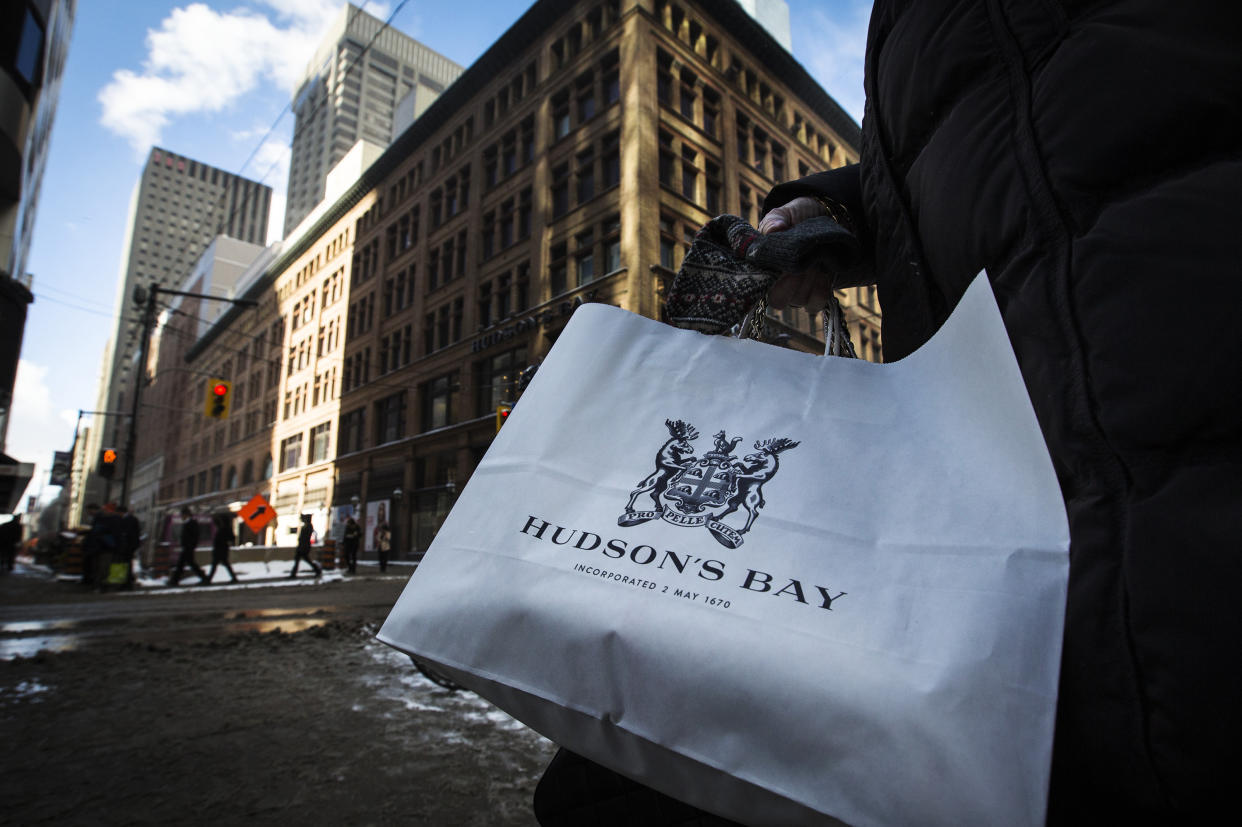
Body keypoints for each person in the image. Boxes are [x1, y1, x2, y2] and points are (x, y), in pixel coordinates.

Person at [748, 4, 1241, 822]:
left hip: (1179, 381)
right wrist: (837, 213)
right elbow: (971, 145)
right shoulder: (899, 22)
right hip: (1016, 498)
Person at [169, 507, 209, 586]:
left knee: (184, 564)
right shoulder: (188, 523)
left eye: (182, 515)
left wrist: (191, 545)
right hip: (187, 547)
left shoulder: (192, 523)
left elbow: (194, 536)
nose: (181, 517)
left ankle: (174, 580)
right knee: (185, 564)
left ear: (186, 515)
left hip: (188, 547)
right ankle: (174, 580)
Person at [205, 512, 239, 584]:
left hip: (221, 549)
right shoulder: (224, 528)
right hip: (222, 549)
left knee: (216, 564)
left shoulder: (224, 529)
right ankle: (233, 577)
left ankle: (209, 579)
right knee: (223, 564)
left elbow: (230, 538)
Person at [290, 513, 322, 578]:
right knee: (299, 559)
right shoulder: (307, 526)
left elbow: (305, 537)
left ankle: (317, 570)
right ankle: (293, 574)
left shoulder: (309, 526)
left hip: (304, 546)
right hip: (302, 546)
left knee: (305, 559)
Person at [118, 504, 141, 589]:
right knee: (127, 563)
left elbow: (131, 533)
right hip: (130, 545)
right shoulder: (132, 519)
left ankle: (126, 582)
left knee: (126, 563)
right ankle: (128, 581)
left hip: (128, 546)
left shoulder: (128, 519)